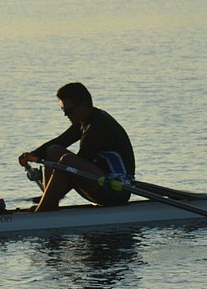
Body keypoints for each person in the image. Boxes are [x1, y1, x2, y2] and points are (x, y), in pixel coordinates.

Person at [18, 82, 136, 212]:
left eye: (69, 110)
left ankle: (46, 206)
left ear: (84, 105)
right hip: (100, 182)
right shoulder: (84, 121)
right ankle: (48, 204)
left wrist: (55, 189)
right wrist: (32, 155)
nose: (66, 115)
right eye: (64, 111)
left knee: (67, 161)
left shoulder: (98, 126)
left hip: (117, 190)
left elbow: (77, 165)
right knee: (53, 151)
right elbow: (61, 141)